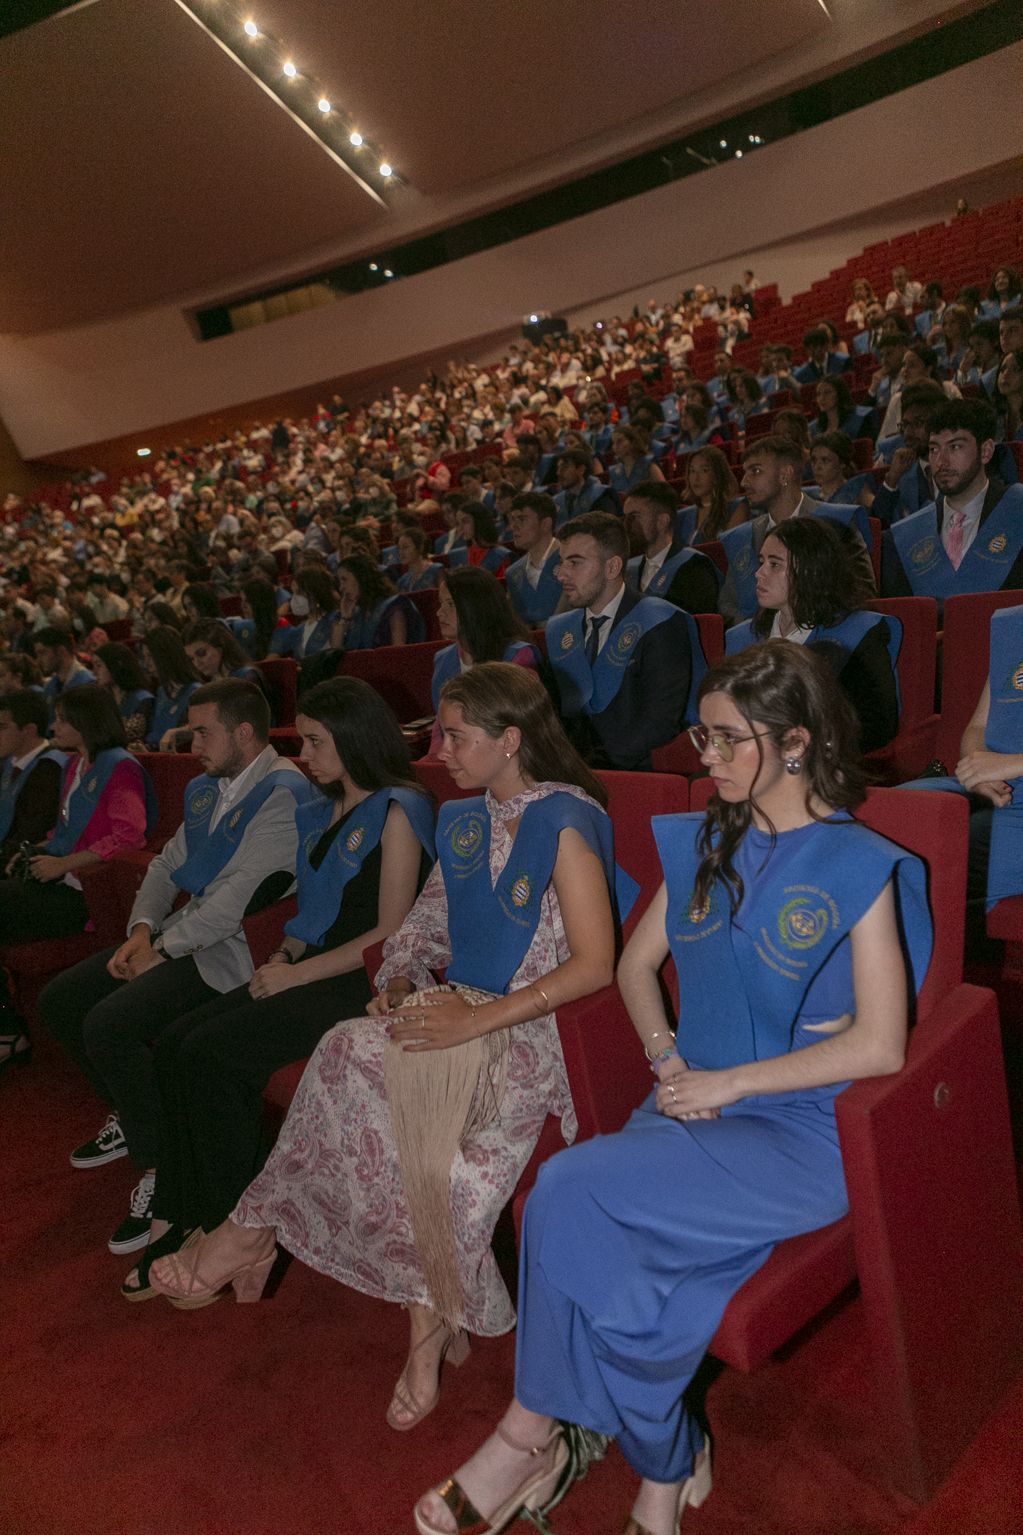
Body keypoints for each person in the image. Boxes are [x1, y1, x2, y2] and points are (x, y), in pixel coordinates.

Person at [413, 642, 931, 1535]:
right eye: (704, 735)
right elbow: (634, 966)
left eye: (730, 740)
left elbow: (880, 1045)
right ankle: (660, 1458)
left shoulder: (858, 864)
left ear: (796, 742)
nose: (708, 757)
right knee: (624, 1266)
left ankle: (531, 1428)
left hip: (802, 1130)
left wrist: (729, 1078)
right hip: (691, 1106)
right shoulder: (703, 838)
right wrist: (666, 1060)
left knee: (562, 1194)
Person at [148, 664, 617, 1443]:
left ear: (509, 740)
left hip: (530, 1030)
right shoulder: (466, 821)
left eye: (457, 736)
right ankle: (260, 1228)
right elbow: (420, 930)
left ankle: (414, 1323)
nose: (441, 749)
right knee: (343, 1048)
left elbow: (594, 963)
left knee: (432, 1150)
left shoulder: (564, 820)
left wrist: (476, 1021)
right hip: (454, 1012)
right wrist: (399, 976)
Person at [116, 678, 437, 1300]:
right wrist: (286, 951)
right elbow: (311, 912)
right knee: (181, 1041)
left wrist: (297, 971)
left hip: (361, 983)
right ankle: (185, 1212)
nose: (306, 756)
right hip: (308, 966)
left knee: (212, 1053)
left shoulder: (400, 806)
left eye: (316, 742)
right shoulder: (327, 806)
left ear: (352, 739)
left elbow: (390, 933)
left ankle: (237, 1228)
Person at [39, 680, 312, 1255]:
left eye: (203, 732)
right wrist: (142, 930)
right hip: (184, 938)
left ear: (243, 732)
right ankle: (139, 1116)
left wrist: (159, 949)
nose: (191, 744)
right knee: (62, 1001)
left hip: (235, 953)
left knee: (109, 1024)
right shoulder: (213, 787)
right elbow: (165, 864)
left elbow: (237, 902)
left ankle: (164, 1166)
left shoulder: (284, 794)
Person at [0, 686, 154, 1072]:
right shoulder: (74, 764)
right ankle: (7, 1027)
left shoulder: (120, 765)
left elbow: (129, 835)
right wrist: (35, 848)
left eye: (63, 719)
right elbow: (63, 831)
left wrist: (65, 863)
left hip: (87, 893)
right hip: (57, 878)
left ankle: (9, 1032)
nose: (55, 726)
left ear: (87, 723)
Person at [899, 603, 1023, 951]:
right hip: (998, 786)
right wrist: (976, 767)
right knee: (889, 814)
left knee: (935, 852)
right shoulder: (1016, 628)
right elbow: (979, 727)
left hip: (1013, 788)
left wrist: (1011, 764)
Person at [725, 518, 900, 752]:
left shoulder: (859, 633)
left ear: (809, 570)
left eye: (774, 564)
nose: (758, 573)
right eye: (761, 562)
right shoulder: (740, 638)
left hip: (824, 766)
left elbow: (877, 727)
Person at [547, 511, 703, 771]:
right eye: (561, 563)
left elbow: (659, 723)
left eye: (574, 563)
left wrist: (591, 771)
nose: (561, 575)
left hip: (639, 775)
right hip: (575, 775)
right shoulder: (562, 631)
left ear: (612, 567)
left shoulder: (659, 622)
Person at [719, 437, 875, 626]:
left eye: (756, 471)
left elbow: (861, 593)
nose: (744, 481)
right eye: (745, 472)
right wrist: (763, 631)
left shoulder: (836, 522)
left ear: (785, 474)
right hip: (758, 645)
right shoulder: (743, 536)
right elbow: (727, 604)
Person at [882, 398, 1023, 606]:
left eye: (955, 447)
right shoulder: (903, 539)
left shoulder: (1017, 512)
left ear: (986, 451)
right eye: (934, 449)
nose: (941, 461)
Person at [427, 568, 541, 752]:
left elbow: (523, 731)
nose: (439, 613)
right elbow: (441, 728)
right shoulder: (442, 660)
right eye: (441, 604)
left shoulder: (517, 656)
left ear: (475, 607)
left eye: (450, 605)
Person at [623, 482, 720, 613]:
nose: (626, 525)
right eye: (626, 517)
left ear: (662, 521)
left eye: (635, 517)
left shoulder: (694, 566)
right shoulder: (629, 570)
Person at [0, 689, 66, 870]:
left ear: (29, 730)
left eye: (2, 727)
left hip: (21, 862)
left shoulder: (49, 769)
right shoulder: (8, 763)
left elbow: (31, 834)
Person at [871, 381, 947, 526]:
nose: (908, 433)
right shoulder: (901, 468)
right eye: (905, 425)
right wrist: (892, 479)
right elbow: (878, 523)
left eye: (918, 424)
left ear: (938, 423)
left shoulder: (958, 464)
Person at [333, 554, 425, 650]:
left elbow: (398, 655)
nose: (341, 587)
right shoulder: (357, 613)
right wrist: (344, 617)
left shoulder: (394, 607)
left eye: (344, 579)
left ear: (361, 577)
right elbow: (335, 651)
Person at [504, 493, 563, 627]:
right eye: (512, 520)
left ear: (545, 524)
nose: (514, 526)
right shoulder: (513, 573)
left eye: (521, 519)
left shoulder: (571, 559)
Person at [144, 626, 201, 751]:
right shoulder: (161, 691)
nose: (146, 662)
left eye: (150, 656)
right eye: (144, 657)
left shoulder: (195, 692)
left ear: (164, 656)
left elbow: (199, 730)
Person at [676, 446, 745, 545]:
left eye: (704, 470)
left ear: (717, 474)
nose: (696, 478)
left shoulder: (736, 507)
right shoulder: (681, 516)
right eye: (692, 471)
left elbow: (732, 551)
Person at [92, 642, 154, 750]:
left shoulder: (142, 699)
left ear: (117, 664)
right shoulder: (104, 700)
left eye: (99, 665)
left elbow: (130, 734)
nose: (95, 672)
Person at [268, 567, 339, 659]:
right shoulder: (298, 629)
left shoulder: (335, 619)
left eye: (299, 593)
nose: (294, 599)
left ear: (315, 593)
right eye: (293, 593)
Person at [34, 626, 95, 724]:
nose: (38, 660)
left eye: (43, 653)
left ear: (61, 651)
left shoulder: (87, 684)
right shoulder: (50, 686)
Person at [808, 431, 875, 510]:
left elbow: (878, 513)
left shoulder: (856, 488)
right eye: (813, 460)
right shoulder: (807, 495)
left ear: (842, 463)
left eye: (825, 460)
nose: (817, 467)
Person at [552, 448, 619, 525]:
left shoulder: (601, 497)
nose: (558, 473)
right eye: (558, 468)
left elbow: (606, 529)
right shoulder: (557, 500)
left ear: (581, 470)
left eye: (565, 467)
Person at [810, 377, 874, 442]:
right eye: (818, 394)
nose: (821, 398)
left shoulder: (859, 418)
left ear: (839, 393)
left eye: (827, 392)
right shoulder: (813, 428)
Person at [608, 426, 665, 498]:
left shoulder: (648, 463)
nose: (615, 446)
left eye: (620, 441)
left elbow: (664, 491)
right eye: (613, 442)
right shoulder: (614, 472)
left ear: (632, 442)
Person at [455, 505, 510, 576]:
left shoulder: (499, 555)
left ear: (479, 521)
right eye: (458, 523)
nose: (460, 528)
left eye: (465, 521)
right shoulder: (463, 556)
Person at [396, 527, 444, 591]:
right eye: (399, 548)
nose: (401, 552)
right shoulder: (402, 581)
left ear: (420, 547)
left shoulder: (436, 570)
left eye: (405, 547)